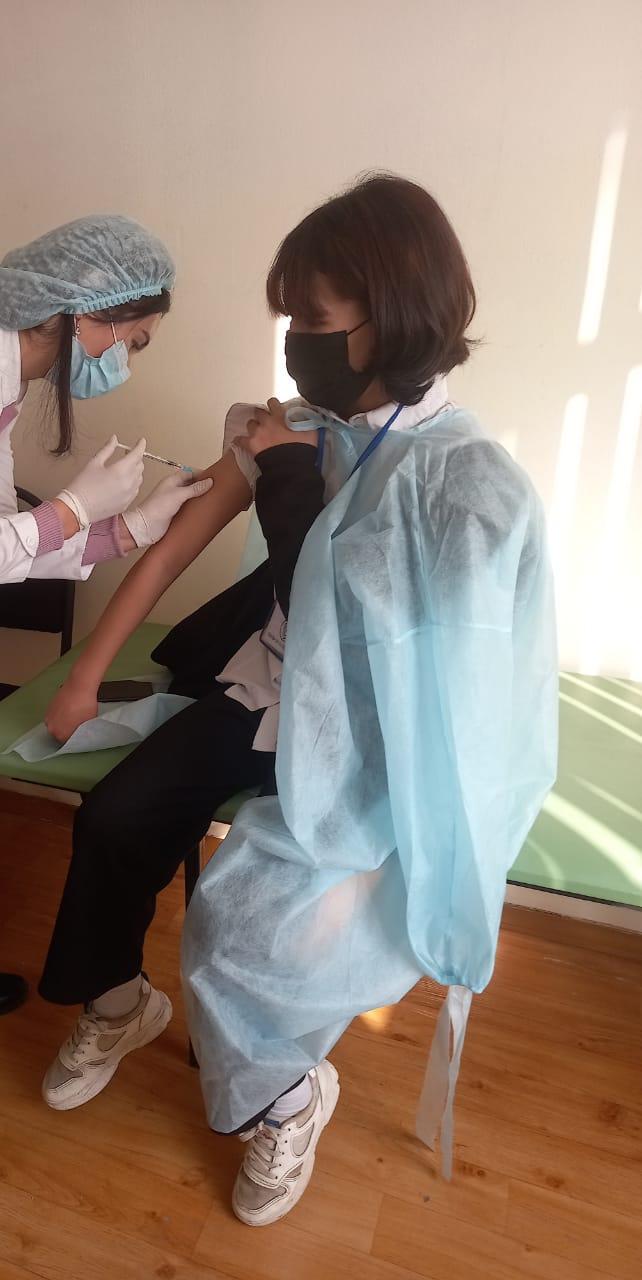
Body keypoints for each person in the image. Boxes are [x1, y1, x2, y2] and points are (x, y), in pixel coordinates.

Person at [38, 176, 557, 1226]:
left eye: (313, 319)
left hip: (372, 734)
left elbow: (435, 676)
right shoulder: (292, 429)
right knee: (117, 816)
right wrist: (88, 673)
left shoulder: (467, 486)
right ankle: (121, 1002)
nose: (295, 342)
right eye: (291, 317)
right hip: (269, 691)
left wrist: (287, 486)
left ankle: (286, 1094)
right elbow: (169, 552)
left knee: (244, 928)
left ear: (392, 315)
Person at [0, 214, 212, 1015]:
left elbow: (12, 545)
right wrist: (71, 509)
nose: (127, 359)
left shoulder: (9, 387)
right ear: (85, 313)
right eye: (136, 340)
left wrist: (128, 528)